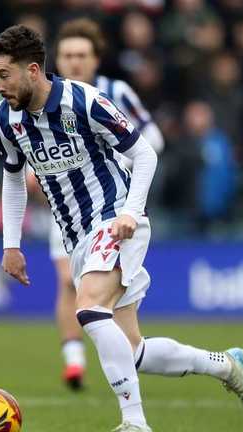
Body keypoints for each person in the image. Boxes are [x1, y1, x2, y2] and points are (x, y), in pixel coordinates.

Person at [0, 25, 243, 432]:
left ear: (33, 70)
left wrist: (131, 212)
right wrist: (11, 244)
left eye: (3, 75)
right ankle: (225, 365)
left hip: (115, 219)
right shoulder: (5, 118)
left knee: (88, 308)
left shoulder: (87, 100)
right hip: (76, 234)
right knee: (134, 351)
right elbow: (12, 178)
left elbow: (145, 151)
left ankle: (135, 423)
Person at [50, 18, 164, 390]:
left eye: (82, 55)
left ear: (96, 59)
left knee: (98, 289)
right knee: (68, 280)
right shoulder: (50, 97)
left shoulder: (115, 91)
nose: (75, 62)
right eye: (68, 55)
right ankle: (74, 363)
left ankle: (125, 357)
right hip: (67, 207)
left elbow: (153, 138)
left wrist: (121, 166)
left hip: (112, 205)